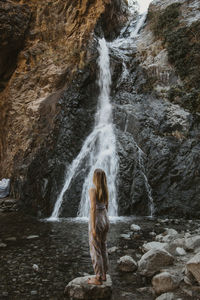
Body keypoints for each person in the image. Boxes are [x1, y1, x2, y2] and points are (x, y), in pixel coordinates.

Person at [88, 168, 110, 285]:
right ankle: (104, 274)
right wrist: (106, 221)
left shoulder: (92, 190)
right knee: (103, 246)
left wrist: (93, 226)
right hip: (105, 218)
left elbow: (92, 208)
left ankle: (98, 278)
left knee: (95, 249)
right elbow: (107, 206)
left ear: (94, 178)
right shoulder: (106, 190)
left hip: (97, 219)